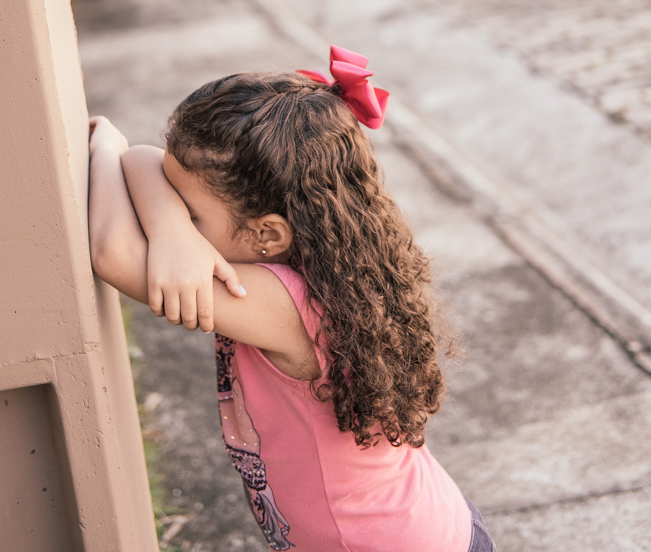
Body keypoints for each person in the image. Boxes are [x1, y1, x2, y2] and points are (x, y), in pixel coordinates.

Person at [88, 45, 496, 552]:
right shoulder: (338, 273)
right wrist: (172, 225)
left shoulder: (283, 304)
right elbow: (150, 159)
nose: (180, 223)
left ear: (267, 234)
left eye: (191, 215)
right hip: (428, 521)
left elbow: (114, 254)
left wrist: (107, 148)